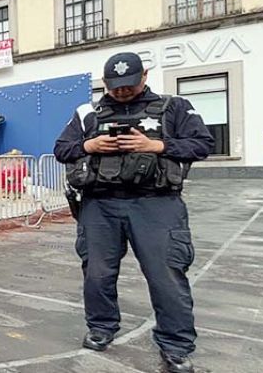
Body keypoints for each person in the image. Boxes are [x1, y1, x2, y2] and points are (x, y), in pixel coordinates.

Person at [54, 52, 213, 373]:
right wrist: (89, 146)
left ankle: (176, 346)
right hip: (100, 204)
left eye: (128, 85)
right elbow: (61, 149)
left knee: (166, 275)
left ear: (144, 76)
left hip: (156, 204)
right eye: (115, 87)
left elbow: (203, 144)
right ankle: (101, 327)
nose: (122, 92)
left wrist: (157, 146)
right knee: (97, 274)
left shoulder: (174, 108)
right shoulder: (88, 112)